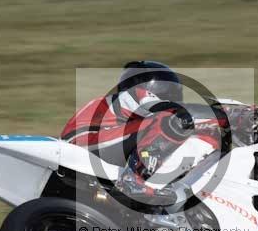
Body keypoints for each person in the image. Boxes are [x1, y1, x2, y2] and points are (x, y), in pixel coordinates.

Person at [60, 61, 201, 204]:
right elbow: (167, 111)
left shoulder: (124, 107)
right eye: (167, 87)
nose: (170, 93)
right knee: (169, 120)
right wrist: (210, 113)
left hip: (88, 144)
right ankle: (133, 180)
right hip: (81, 142)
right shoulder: (134, 94)